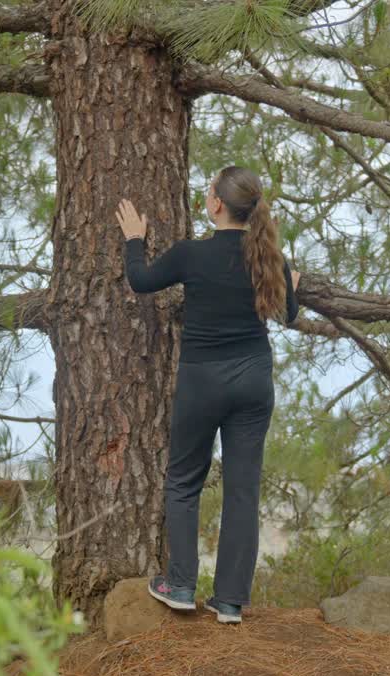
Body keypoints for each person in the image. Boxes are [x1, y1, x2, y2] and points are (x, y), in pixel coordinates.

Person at [115, 165, 301, 625]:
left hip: (202, 380)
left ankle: (180, 585)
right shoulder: (271, 257)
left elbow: (140, 281)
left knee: (183, 480)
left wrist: (134, 239)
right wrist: (294, 288)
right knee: (243, 490)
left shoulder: (189, 255)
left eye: (208, 189)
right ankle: (230, 602)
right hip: (254, 381)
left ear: (217, 203)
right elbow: (290, 315)